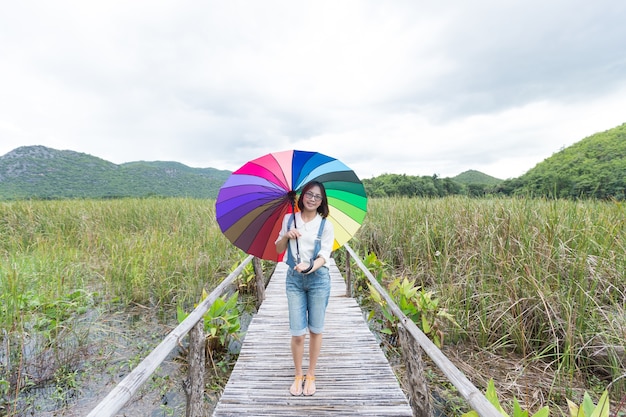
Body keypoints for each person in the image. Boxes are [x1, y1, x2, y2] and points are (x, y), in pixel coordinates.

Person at [275, 180, 335, 397]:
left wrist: (309, 267)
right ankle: (298, 374)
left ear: (322, 201)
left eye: (317, 196)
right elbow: (279, 249)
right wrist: (286, 235)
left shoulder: (325, 225)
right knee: (297, 332)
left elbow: (324, 256)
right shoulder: (289, 219)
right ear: (301, 196)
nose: (312, 199)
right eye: (309, 194)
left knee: (316, 329)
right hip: (293, 280)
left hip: (319, 279)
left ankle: (311, 374)